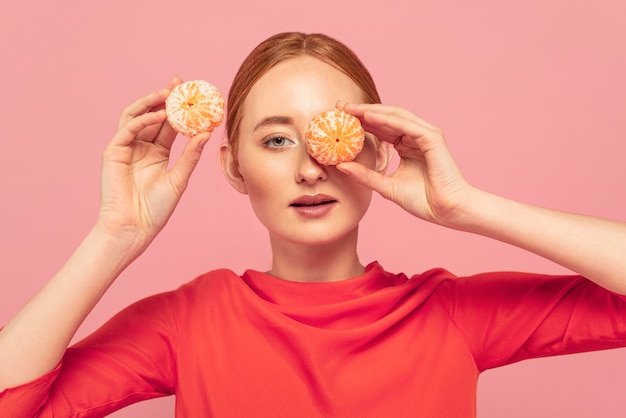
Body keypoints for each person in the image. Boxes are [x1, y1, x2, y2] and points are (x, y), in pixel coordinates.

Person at [1, 31, 625, 417]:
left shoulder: (448, 314)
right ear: (234, 167)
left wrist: (466, 206)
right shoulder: (189, 322)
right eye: (275, 140)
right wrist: (116, 235)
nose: (309, 169)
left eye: (336, 136)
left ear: (377, 152)